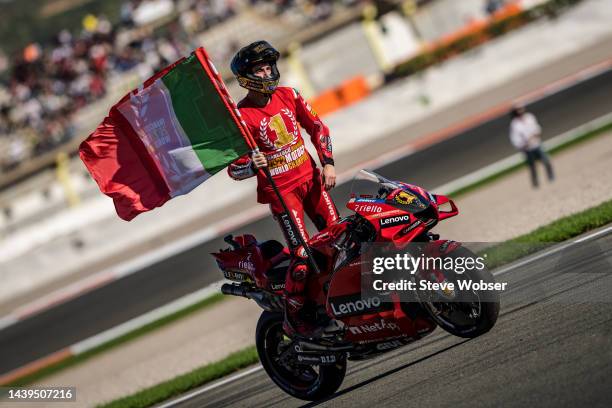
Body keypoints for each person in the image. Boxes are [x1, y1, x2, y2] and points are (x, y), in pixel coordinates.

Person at [228, 41, 340, 338]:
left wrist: (327, 163)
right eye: (260, 69)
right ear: (247, 78)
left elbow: (318, 127)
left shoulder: (290, 95)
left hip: (312, 181)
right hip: (281, 193)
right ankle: (297, 315)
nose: (267, 73)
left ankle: (343, 299)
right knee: (303, 256)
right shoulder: (240, 118)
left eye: (269, 67)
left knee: (340, 239)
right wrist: (251, 164)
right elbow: (233, 169)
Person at [509, 105, 554, 188]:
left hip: (537, 144)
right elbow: (515, 140)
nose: (521, 111)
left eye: (521, 109)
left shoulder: (529, 117)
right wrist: (524, 144)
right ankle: (535, 184)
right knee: (532, 167)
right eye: (518, 110)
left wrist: (536, 134)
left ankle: (551, 178)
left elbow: (537, 128)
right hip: (527, 149)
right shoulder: (515, 124)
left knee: (546, 160)